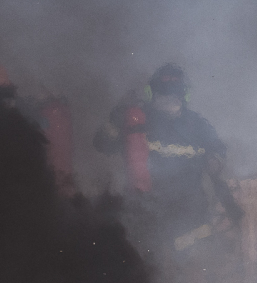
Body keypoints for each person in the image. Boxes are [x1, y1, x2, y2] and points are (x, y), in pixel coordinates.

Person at [94, 64, 240, 252]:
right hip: (144, 214)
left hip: (190, 216)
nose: (169, 98)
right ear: (151, 94)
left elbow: (218, 148)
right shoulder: (136, 121)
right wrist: (118, 114)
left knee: (192, 264)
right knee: (146, 268)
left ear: (184, 96)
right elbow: (101, 144)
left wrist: (216, 160)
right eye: (163, 92)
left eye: (175, 93)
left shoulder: (197, 125)